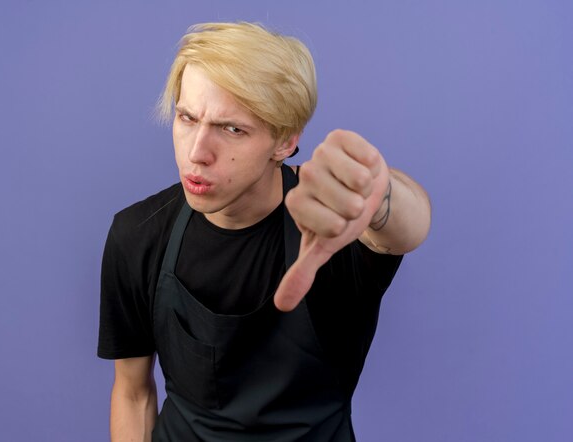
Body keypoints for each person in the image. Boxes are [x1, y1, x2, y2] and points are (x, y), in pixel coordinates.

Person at [98, 22, 431, 441]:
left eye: (232, 129)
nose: (197, 153)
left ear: (284, 141)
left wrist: (379, 190)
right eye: (187, 118)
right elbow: (133, 395)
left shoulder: (332, 228)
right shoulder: (138, 235)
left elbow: (408, 228)